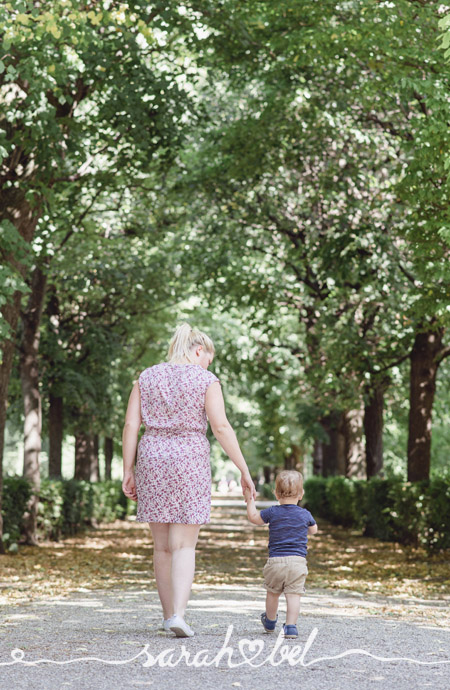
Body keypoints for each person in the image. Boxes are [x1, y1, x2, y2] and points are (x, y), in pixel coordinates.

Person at [122, 323, 256, 638]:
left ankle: (168, 614)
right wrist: (243, 469)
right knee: (183, 545)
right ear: (199, 351)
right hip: (188, 460)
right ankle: (179, 616)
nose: (209, 365)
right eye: (209, 358)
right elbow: (221, 427)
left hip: (152, 456)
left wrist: (128, 469)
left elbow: (131, 424)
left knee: (161, 547)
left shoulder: (147, 376)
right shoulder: (206, 379)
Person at [243, 469, 317, 639]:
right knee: (293, 595)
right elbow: (314, 530)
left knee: (272, 593)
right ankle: (291, 627)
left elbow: (254, 517)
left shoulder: (273, 512)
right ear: (301, 494)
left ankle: (270, 621)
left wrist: (249, 500)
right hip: (297, 562)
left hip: (275, 561)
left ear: (276, 493)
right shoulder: (305, 514)